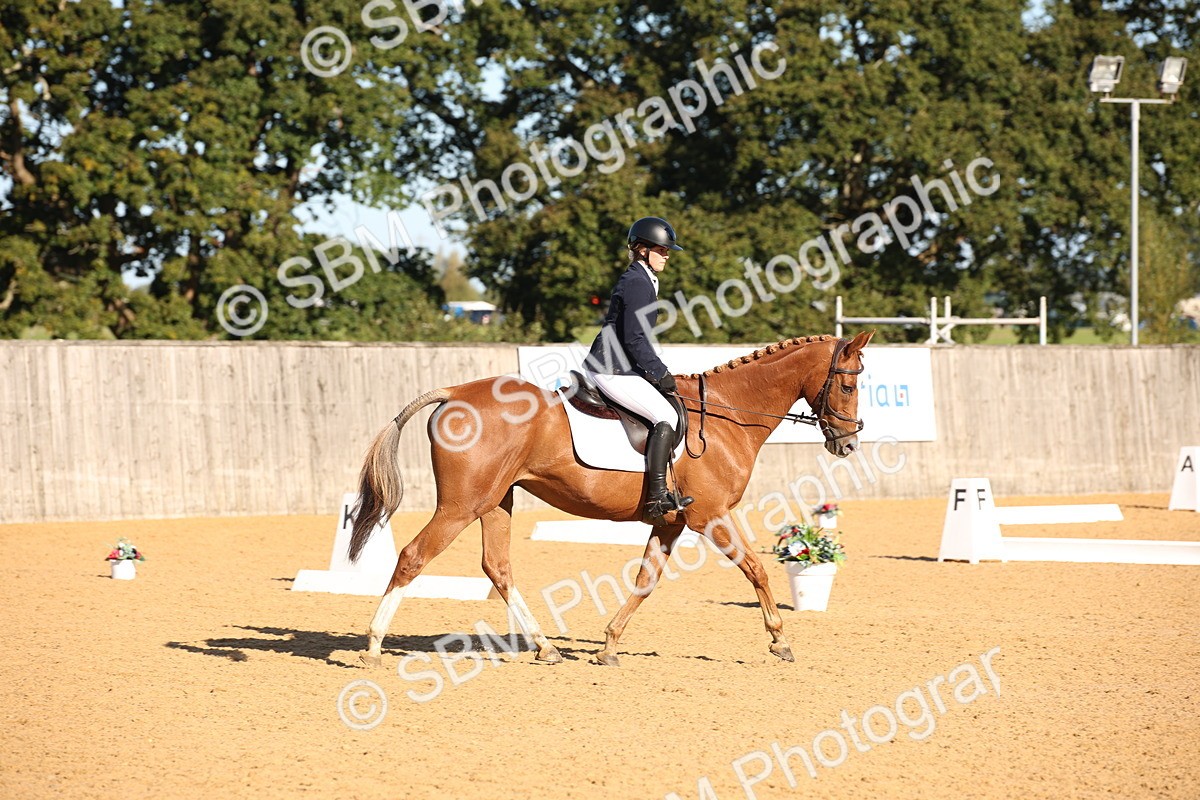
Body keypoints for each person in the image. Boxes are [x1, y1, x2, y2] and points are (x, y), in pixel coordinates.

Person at [584, 216, 694, 522]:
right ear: (642, 249)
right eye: (662, 249)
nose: (667, 254)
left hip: (621, 365)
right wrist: (658, 372)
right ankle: (656, 498)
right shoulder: (636, 282)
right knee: (667, 415)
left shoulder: (643, 278)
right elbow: (633, 337)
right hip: (610, 368)